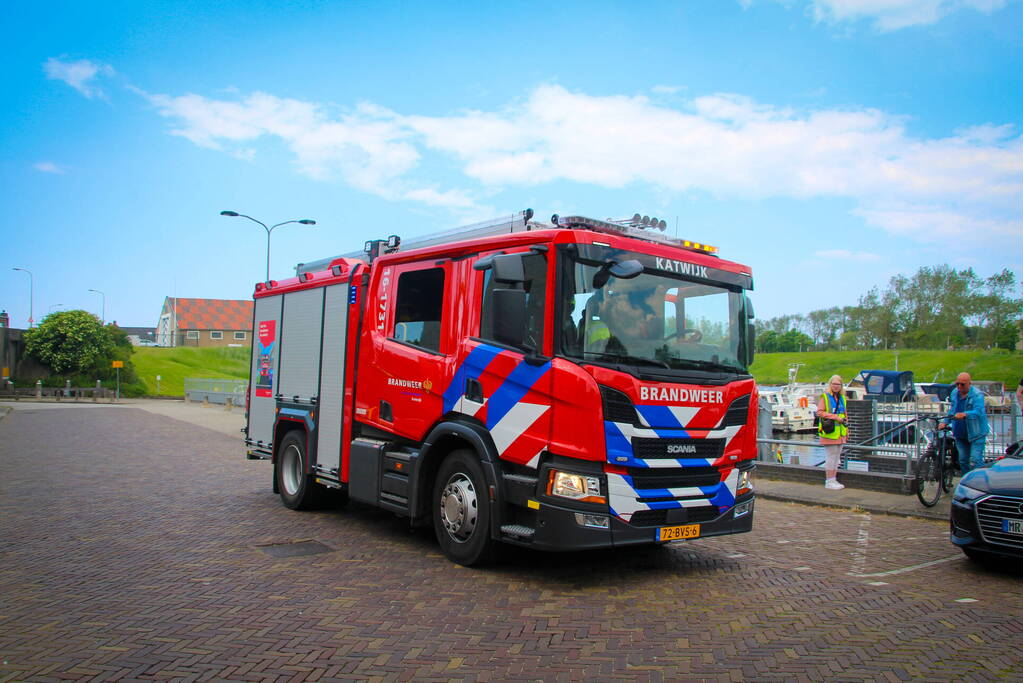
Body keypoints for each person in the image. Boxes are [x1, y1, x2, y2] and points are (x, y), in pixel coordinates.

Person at [939, 372, 990, 474]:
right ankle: (966, 482)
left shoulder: (977, 395)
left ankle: (979, 482)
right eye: (957, 383)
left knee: (975, 460)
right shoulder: (954, 393)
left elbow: (979, 411)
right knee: (963, 461)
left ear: (969, 383)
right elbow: (952, 410)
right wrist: (945, 422)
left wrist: (965, 414)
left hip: (976, 434)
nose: (959, 386)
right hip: (960, 434)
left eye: (962, 384)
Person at [816, 375, 847, 490]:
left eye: (838, 384)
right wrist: (835, 417)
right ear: (830, 385)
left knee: (837, 457)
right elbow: (819, 412)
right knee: (831, 456)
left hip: (840, 432)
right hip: (830, 431)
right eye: (834, 384)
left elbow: (845, 414)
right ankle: (829, 480)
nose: (836, 386)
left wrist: (847, 430)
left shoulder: (843, 398)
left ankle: (834, 479)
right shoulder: (825, 397)